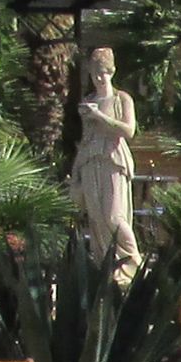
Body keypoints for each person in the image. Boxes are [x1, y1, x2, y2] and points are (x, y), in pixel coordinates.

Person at [72, 48, 141, 283]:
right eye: (95, 74)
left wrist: (100, 117)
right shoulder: (89, 102)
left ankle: (133, 263)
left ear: (111, 72)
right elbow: (85, 141)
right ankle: (106, 267)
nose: (99, 78)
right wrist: (75, 174)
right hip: (91, 160)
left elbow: (128, 131)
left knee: (114, 217)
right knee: (97, 218)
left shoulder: (122, 99)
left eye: (103, 73)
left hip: (114, 159)